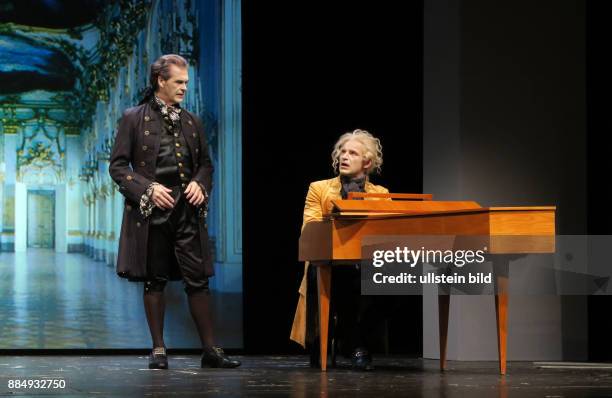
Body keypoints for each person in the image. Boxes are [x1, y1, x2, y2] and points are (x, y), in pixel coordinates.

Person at [109, 54, 240, 369]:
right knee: (155, 281)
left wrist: (200, 183)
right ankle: (158, 349)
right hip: (152, 214)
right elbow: (117, 167)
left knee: (198, 281)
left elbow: (206, 164)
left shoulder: (192, 121)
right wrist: (148, 188)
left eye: (186, 83)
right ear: (161, 81)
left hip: (187, 213)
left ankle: (210, 350)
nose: (184, 88)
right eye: (179, 82)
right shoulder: (133, 117)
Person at [290, 129, 389, 371]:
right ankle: (354, 344)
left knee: (398, 279)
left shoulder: (381, 194)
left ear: (367, 162)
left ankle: (346, 337)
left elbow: (384, 235)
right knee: (345, 275)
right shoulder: (319, 189)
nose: (344, 156)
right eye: (342, 152)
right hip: (325, 262)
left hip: (364, 263)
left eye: (352, 153)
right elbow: (310, 228)